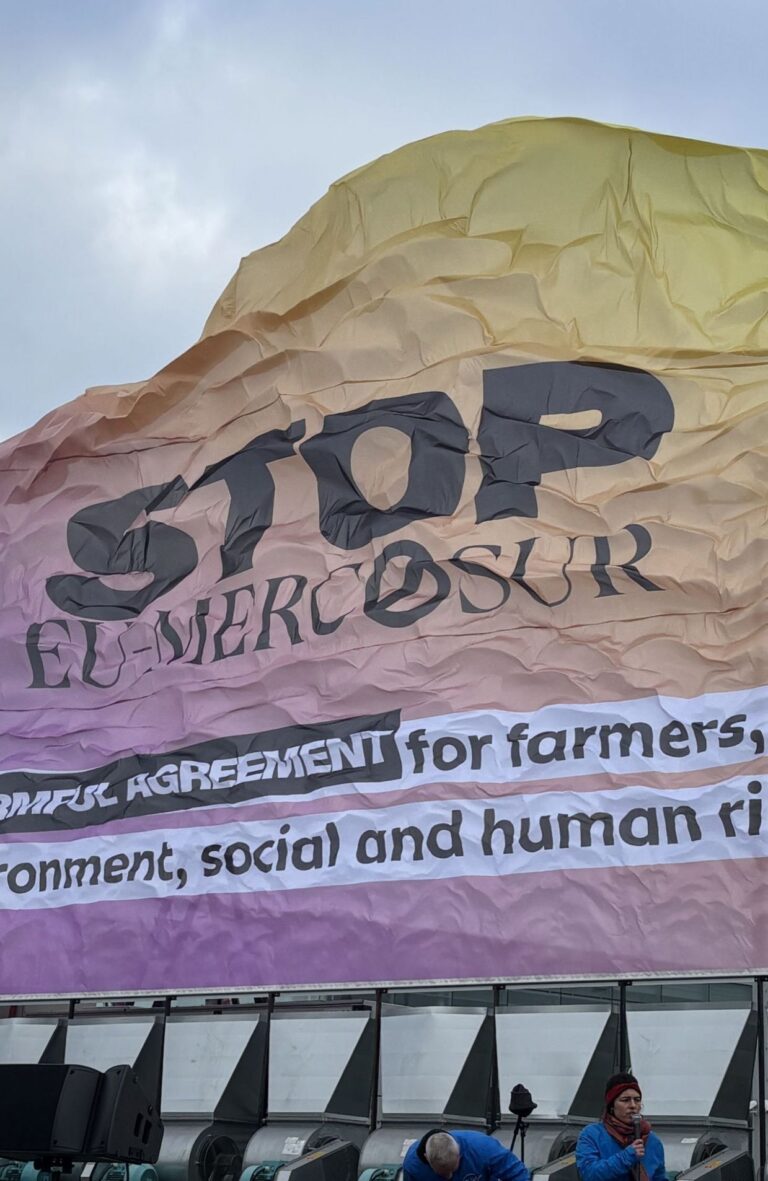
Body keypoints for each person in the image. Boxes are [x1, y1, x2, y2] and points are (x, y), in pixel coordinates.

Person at [576, 1072, 666, 1181]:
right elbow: (589, 1174)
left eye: (637, 1100)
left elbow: (659, 1178)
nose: (633, 1106)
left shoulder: (652, 1140)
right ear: (612, 1106)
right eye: (625, 1100)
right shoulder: (592, 1134)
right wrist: (627, 1157)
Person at [403, 1129, 529, 1181]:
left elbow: (518, 1175)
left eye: (453, 1169)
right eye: (442, 1173)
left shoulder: (484, 1149)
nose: (449, 1177)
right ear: (427, 1158)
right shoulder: (413, 1165)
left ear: (459, 1154)